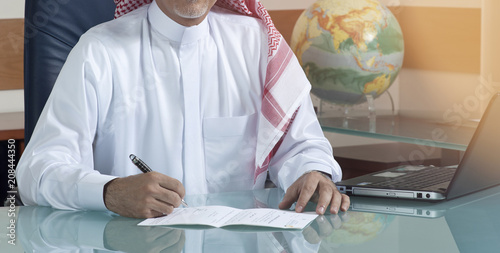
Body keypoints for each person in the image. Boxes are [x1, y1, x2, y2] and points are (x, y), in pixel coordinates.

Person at [16, 0, 350, 218]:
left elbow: (300, 146)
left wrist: (312, 173)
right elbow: (37, 171)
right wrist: (110, 192)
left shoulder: (257, 43)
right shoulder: (99, 51)